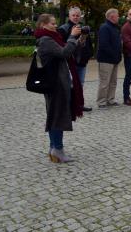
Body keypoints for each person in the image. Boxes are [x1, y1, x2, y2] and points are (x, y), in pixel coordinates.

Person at [34, 14, 83, 163]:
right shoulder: (46, 40)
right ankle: (58, 149)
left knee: (54, 116)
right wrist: (72, 38)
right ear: (43, 25)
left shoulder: (52, 38)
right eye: (53, 24)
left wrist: (77, 40)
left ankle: (53, 148)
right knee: (58, 117)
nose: (56, 26)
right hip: (56, 85)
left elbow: (66, 50)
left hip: (57, 83)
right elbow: (64, 53)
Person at [58, 6, 93, 112]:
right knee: (70, 84)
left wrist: (88, 55)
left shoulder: (83, 28)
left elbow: (88, 44)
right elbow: (61, 46)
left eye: (77, 15)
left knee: (80, 84)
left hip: (82, 61)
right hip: (70, 62)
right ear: (69, 16)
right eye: (73, 15)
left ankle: (79, 104)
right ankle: (68, 105)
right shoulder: (63, 28)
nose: (75, 17)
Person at [96, 8, 122, 109]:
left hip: (114, 59)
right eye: (117, 15)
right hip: (105, 60)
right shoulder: (104, 27)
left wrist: (118, 55)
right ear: (112, 17)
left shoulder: (115, 28)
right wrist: (114, 55)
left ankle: (110, 99)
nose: (119, 17)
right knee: (104, 82)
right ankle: (101, 101)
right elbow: (104, 45)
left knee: (113, 81)